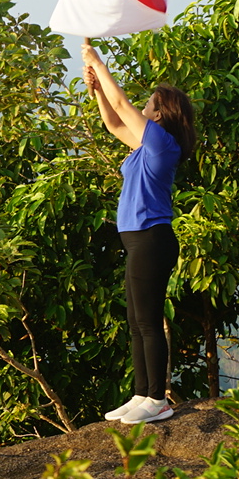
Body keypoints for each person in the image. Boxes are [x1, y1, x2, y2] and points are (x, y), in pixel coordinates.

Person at [81, 43, 196, 424]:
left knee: (148, 321)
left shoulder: (163, 143)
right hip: (138, 240)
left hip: (152, 238)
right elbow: (114, 122)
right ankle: (140, 394)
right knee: (136, 321)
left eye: (148, 105)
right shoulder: (145, 149)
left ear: (159, 114)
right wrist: (96, 89)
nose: (142, 108)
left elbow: (122, 104)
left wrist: (99, 63)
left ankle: (157, 399)